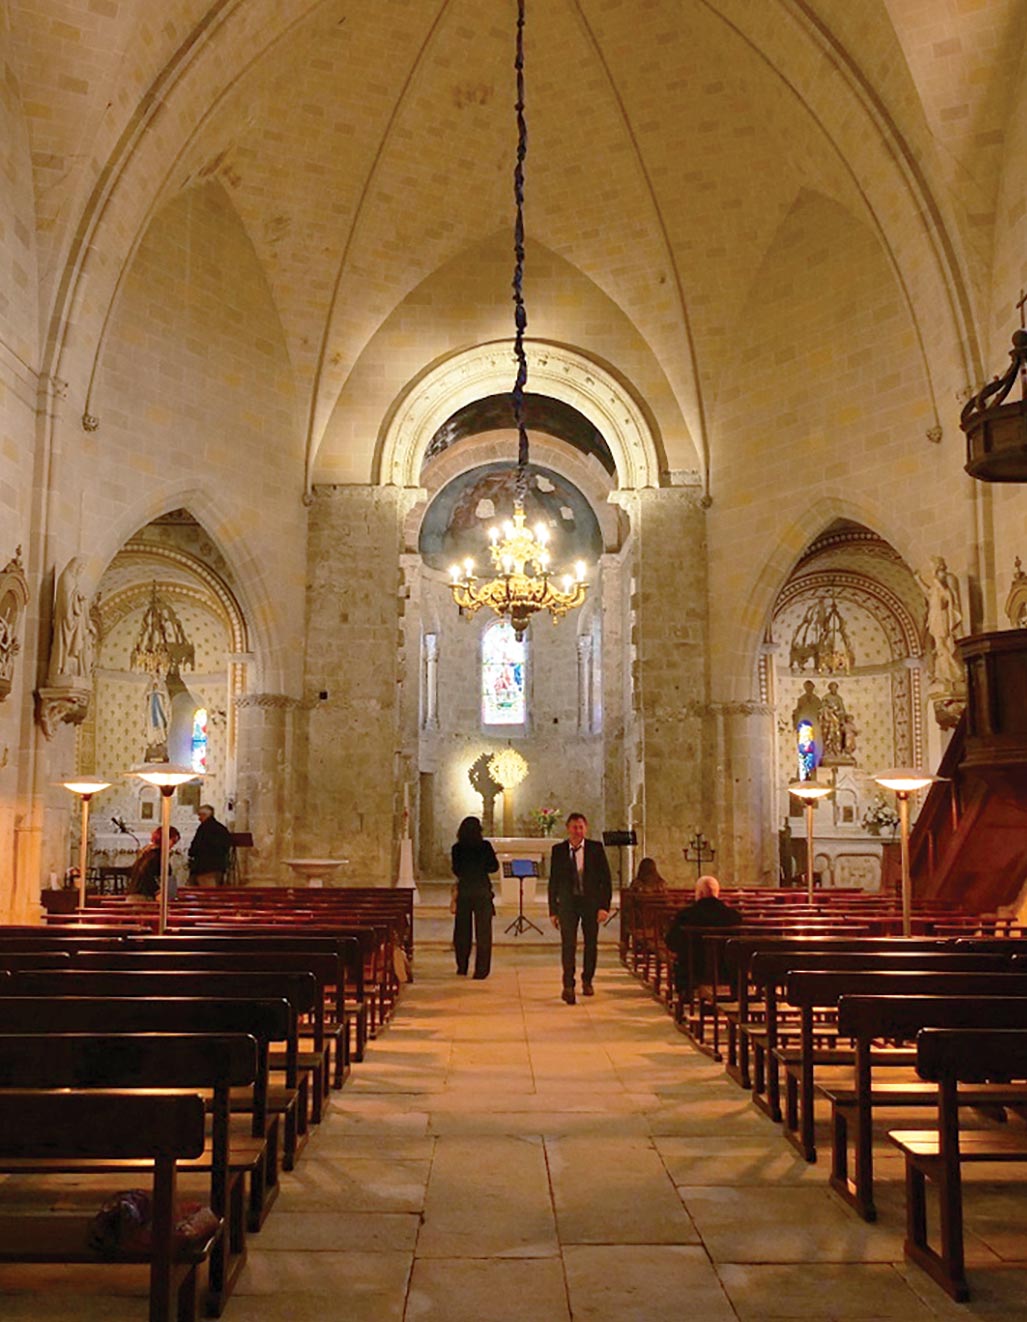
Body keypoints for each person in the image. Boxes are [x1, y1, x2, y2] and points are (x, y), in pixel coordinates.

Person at [548, 812, 612, 1004]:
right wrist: (553, 910)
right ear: (568, 828)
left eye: (581, 827)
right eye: (574, 827)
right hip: (568, 904)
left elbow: (605, 880)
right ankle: (568, 984)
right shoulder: (558, 850)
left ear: (586, 828)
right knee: (568, 944)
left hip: (590, 903)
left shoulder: (596, 849)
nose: (578, 831)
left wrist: (604, 907)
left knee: (591, 943)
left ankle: (587, 980)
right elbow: (554, 882)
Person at [664, 875, 743, 992]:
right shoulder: (733, 916)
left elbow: (671, 942)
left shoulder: (686, 915)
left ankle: (686, 994)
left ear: (700, 893)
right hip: (724, 970)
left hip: (693, 971)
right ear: (717, 893)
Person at [450, 816, 498, 979]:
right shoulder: (485, 846)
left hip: (465, 891)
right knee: (483, 932)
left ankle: (462, 966)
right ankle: (481, 970)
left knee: (462, 931)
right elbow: (494, 867)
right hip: (482, 890)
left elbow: (456, 870)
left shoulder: (457, 848)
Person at [127, 826, 180, 900]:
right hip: (144, 898)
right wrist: (157, 891)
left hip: (135, 894)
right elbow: (148, 875)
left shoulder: (147, 853)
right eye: (173, 841)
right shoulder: (158, 855)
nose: (173, 845)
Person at [188, 804, 232, 887]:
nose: (199, 818)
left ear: (205, 815)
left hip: (204, 868)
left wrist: (191, 853)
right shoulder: (221, 828)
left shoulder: (204, 828)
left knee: (205, 891)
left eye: (200, 815)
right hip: (218, 866)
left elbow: (197, 845)